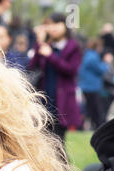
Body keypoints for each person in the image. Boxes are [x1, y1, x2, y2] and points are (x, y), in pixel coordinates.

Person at [28, 12, 83, 143]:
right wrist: (40, 43)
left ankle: (62, 164)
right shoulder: (45, 45)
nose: (53, 28)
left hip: (62, 100)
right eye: (49, 24)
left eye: (57, 24)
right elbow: (32, 66)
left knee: (58, 141)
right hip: (45, 98)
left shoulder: (72, 46)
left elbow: (71, 70)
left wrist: (51, 56)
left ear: (64, 26)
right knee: (44, 140)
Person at [78, 38, 113, 129]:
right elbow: (100, 70)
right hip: (92, 87)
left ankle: (90, 126)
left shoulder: (87, 55)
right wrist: (106, 62)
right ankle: (97, 127)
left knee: (90, 108)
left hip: (87, 86)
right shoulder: (93, 57)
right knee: (95, 109)